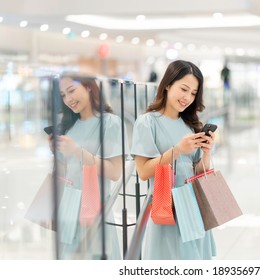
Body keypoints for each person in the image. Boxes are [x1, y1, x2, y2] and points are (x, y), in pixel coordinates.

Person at [130, 60, 217, 260]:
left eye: (193, 93)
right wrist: (177, 150)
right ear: (168, 84)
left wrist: (206, 153)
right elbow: (143, 172)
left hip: (193, 208)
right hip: (166, 208)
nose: (187, 97)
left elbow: (197, 173)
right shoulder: (147, 123)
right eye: (184, 89)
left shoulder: (190, 124)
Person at [49, 73, 129, 259]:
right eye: (63, 95)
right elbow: (64, 174)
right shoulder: (68, 125)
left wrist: (77, 151)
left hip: (94, 209)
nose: (68, 99)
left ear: (88, 87)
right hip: (68, 210)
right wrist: (55, 151)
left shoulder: (110, 123)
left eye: (71, 91)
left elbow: (115, 172)